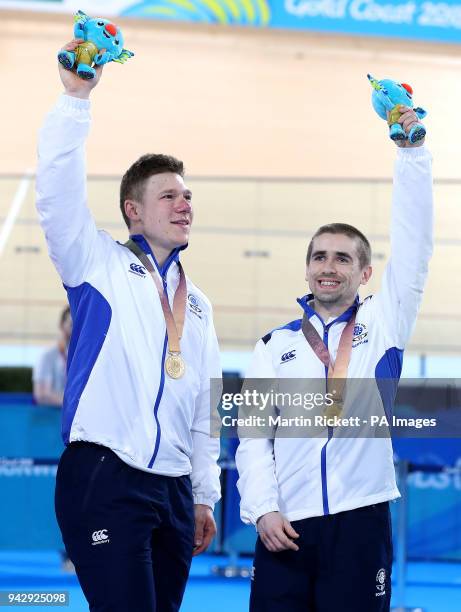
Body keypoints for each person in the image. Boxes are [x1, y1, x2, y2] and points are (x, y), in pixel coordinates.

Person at [36, 39, 221, 612]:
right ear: (133, 211)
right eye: (169, 195)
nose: (184, 203)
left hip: (172, 489)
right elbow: (57, 195)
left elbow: (204, 410)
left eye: (188, 195)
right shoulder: (96, 264)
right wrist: (76, 99)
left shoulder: (200, 306)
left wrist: (203, 496)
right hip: (105, 477)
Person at [236, 106, 433, 611]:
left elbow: (413, 249)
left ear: (364, 274)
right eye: (319, 257)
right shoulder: (272, 346)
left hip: (360, 521)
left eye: (343, 258)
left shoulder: (384, 326)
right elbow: (254, 438)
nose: (329, 267)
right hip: (286, 525)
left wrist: (412, 154)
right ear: (306, 270)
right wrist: (262, 510)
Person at [33, 306, 72, 407]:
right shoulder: (47, 356)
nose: (75, 330)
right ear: (61, 325)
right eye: (71, 325)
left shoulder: (80, 358)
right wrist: (70, 405)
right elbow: (41, 395)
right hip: (50, 418)